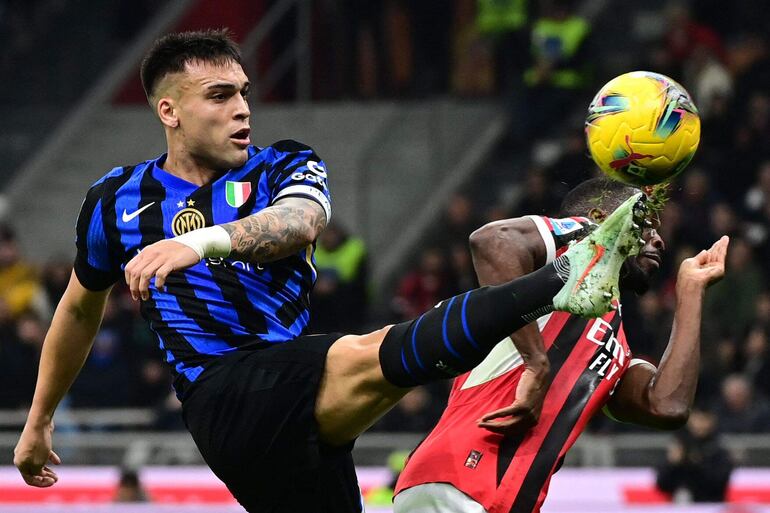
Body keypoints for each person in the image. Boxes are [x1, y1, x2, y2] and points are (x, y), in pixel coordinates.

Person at [14, 30, 655, 513]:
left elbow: (298, 224)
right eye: (219, 95)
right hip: (223, 396)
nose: (242, 108)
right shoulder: (116, 199)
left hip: (296, 404)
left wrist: (205, 242)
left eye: (244, 93)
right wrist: (39, 420)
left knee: (372, 362)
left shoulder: (282, 166)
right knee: (377, 353)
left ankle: (569, 277)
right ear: (169, 112)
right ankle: (565, 278)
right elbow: (77, 308)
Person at [393, 177, 729, 513]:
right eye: (643, 224)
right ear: (602, 218)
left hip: (502, 500)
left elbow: (666, 406)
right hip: (458, 481)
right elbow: (492, 240)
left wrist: (691, 292)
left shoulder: (616, 343)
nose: (658, 239)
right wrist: (535, 361)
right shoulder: (564, 260)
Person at [656, 407, 733, 503]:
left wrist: (697, 463)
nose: (700, 424)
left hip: (709, 505)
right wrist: (672, 464)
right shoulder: (679, 446)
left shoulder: (718, 450)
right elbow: (662, 485)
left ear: (712, 421)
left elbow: (719, 483)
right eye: (696, 418)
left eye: (704, 419)